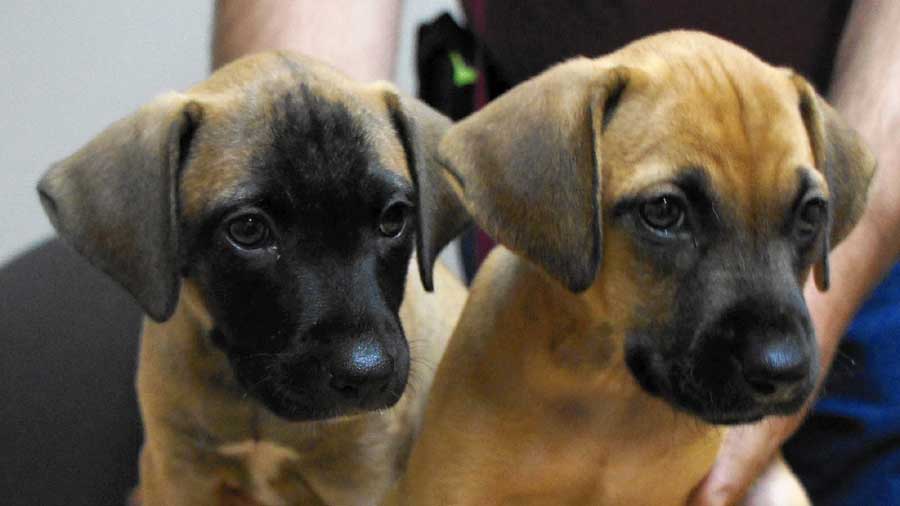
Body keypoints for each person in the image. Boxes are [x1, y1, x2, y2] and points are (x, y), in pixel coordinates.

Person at [213, 1, 900, 504]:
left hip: (874, 236)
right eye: (667, 212)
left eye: (804, 213)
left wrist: (827, 273)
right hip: (559, 185)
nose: (778, 356)